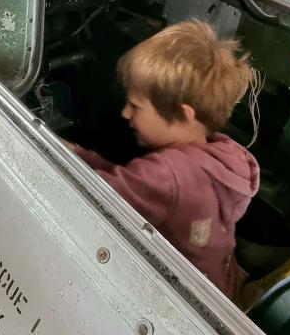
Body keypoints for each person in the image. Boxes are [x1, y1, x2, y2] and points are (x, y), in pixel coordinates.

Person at [70, 20, 259, 299]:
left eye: (136, 106)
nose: (125, 113)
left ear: (183, 114)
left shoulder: (168, 175)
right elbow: (134, 184)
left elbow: (92, 196)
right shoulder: (225, 155)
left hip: (182, 299)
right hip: (220, 283)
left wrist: (55, 151)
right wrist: (79, 154)